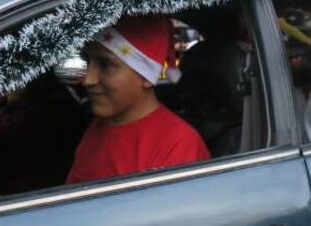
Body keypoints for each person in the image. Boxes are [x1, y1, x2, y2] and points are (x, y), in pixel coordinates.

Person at [66, 16, 210, 184]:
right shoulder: (98, 127)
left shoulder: (178, 145)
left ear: (147, 76)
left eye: (106, 65)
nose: (87, 80)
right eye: (88, 61)